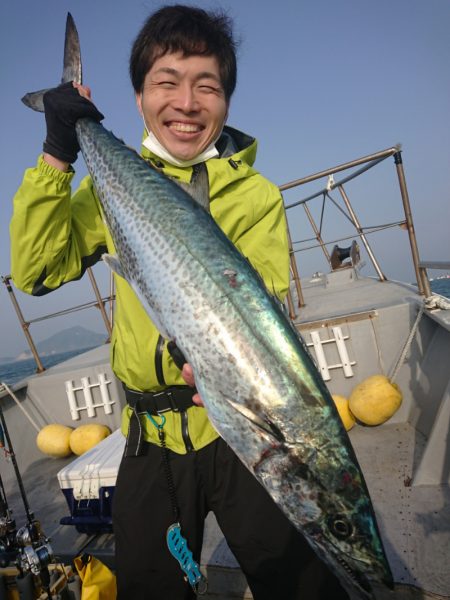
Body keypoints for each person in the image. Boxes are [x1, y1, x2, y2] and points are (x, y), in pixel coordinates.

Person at [10, 5, 350, 600]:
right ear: (140, 98)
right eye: (166, 83)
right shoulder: (108, 185)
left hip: (235, 431)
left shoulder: (257, 195)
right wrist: (59, 152)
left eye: (207, 87)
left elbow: (260, 307)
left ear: (226, 101)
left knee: (301, 583)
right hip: (150, 439)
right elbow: (36, 272)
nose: (187, 103)